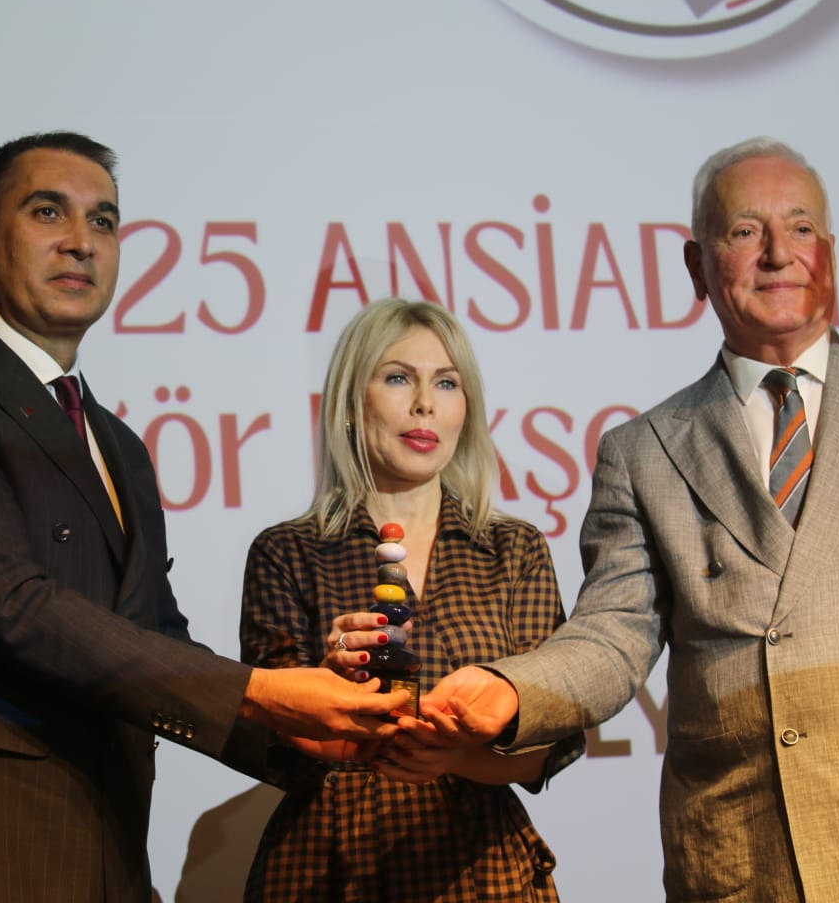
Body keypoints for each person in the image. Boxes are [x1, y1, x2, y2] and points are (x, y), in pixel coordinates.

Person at [420, 138, 839, 902]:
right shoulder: (643, 450)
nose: (777, 254)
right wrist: (510, 690)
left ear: (831, 254)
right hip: (753, 857)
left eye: (801, 228)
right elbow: (612, 637)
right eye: (743, 231)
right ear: (697, 266)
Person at [0, 131, 406, 903]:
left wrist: (296, 730)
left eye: (103, 221)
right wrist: (258, 692)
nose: (81, 242)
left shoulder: (119, 446)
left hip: (108, 846)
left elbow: (153, 634)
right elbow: (14, 607)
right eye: (48, 212)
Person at [238, 298, 584, 902]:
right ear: (352, 405)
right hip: (329, 868)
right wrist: (329, 685)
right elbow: (271, 733)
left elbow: (547, 742)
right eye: (399, 378)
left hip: (480, 871)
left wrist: (449, 757)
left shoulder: (514, 549)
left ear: (465, 410)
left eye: (446, 383)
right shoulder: (286, 551)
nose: (425, 403)